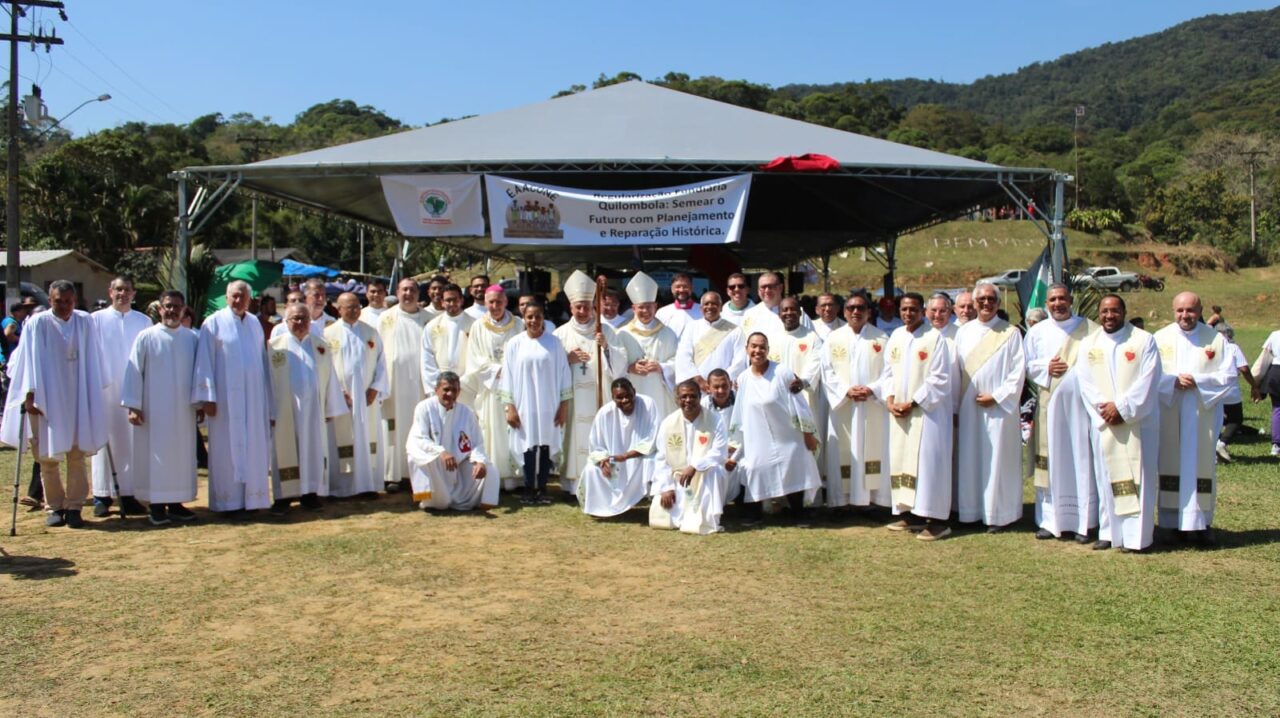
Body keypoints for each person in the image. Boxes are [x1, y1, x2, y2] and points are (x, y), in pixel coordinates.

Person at [0, 280, 109, 528]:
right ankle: (54, 506)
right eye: (58, 301)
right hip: (45, 399)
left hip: (76, 399)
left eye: (68, 301)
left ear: (75, 301)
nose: (64, 306)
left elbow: (95, 359)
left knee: (76, 455)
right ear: (50, 300)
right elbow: (26, 359)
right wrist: (29, 397)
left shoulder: (84, 321)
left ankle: (74, 507)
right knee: (47, 457)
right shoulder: (37, 323)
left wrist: (93, 395)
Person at [1075, 294, 1160, 553]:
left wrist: (1121, 408)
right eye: (1104, 311)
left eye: (1114, 311)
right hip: (1105, 423)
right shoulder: (1089, 344)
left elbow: (1149, 379)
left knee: (1139, 478)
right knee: (1105, 476)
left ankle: (1137, 537)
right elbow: (1085, 382)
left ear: (1124, 312)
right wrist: (1106, 409)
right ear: (1098, 314)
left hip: (1137, 423)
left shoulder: (1143, 341)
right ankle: (1109, 532)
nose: (1109, 316)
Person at [1153, 292, 1235, 546]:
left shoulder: (1216, 340)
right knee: (1169, 464)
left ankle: (1202, 523)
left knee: (1201, 466)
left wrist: (1197, 381)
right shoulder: (1159, 338)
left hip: (1202, 414)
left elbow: (1228, 376)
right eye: (1180, 310)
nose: (1185, 315)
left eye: (1190, 310)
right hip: (1170, 410)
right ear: (1173, 310)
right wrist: (1172, 381)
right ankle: (1168, 523)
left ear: (1200, 311)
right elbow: (1148, 374)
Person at [875, 292, 956, 541]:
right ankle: (912, 515)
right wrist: (889, 400)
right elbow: (887, 373)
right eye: (904, 309)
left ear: (923, 311)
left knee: (929, 465)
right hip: (900, 413)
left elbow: (940, 379)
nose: (908, 314)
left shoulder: (935, 339)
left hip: (928, 415)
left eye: (913, 309)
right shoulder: (897, 336)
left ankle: (938, 520)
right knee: (902, 460)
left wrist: (914, 402)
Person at [1023, 284, 1098, 542]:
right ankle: (1049, 520)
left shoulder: (1090, 330)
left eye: (1062, 299)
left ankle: (1084, 521)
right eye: (1053, 300)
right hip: (1050, 407)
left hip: (1081, 409)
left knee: (1081, 459)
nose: (1058, 304)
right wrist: (1047, 366)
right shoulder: (1037, 332)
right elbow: (1028, 364)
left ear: (1071, 300)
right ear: (1047, 303)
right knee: (1052, 459)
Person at [194, 281, 274, 514]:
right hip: (225, 401)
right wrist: (207, 397)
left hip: (253, 399)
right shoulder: (213, 323)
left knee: (253, 447)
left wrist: (267, 401)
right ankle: (228, 502)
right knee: (226, 450)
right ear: (227, 297)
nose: (239, 301)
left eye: (243, 297)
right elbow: (205, 361)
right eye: (234, 296)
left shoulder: (254, 324)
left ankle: (253, 499)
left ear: (250, 299)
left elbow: (260, 361)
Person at [121, 290, 200, 526]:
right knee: (156, 458)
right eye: (167, 306)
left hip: (183, 410)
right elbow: (134, 372)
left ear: (184, 309)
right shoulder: (146, 337)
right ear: (159, 308)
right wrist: (133, 405)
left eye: (176, 306)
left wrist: (201, 401)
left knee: (181, 456)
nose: (172, 310)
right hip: (153, 411)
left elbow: (200, 372)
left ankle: (176, 503)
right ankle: (156, 506)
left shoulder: (192, 338)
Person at [553, 270, 634, 498]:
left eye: (587, 306)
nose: (582, 311)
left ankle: (603, 480)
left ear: (593, 307)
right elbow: (551, 369)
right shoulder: (560, 334)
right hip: (573, 401)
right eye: (578, 307)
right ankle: (573, 482)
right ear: (571, 308)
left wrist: (607, 347)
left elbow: (621, 366)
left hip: (601, 398)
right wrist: (566, 359)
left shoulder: (606, 330)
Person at [954, 282, 1026, 532]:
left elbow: (1018, 373)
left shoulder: (1011, 333)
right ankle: (970, 511)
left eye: (991, 299)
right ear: (974, 303)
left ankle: (997, 515)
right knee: (969, 458)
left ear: (998, 303)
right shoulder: (962, 333)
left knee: (996, 459)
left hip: (998, 410)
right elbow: (955, 373)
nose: (986, 303)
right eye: (981, 299)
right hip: (967, 407)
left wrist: (996, 396)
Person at [729, 332, 822, 526]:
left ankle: (798, 512)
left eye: (762, 347)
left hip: (787, 435)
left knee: (794, 463)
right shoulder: (743, 378)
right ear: (747, 349)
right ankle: (754, 513)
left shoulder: (782, 373)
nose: (757, 350)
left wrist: (807, 435)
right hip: (757, 437)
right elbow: (740, 411)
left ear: (768, 350)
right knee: (754, 467)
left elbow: (799, 406)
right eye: (753, 346)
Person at [267, 304, 346, 514]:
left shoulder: (321, 346)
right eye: (295, 319)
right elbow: (266, 382)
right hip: (285, 411)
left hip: (313, 411)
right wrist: (270, 411)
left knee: (313, 449)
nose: (300, 323)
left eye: (304, 319)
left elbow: (330, 379)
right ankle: (283, 496)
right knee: (284, 451)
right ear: (286, 321)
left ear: (310, 321)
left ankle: (310, 493)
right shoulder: (274, 347)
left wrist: (330, 408)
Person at [820, 293, 890, 510]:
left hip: (871, 407)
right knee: (842, 451)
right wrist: (845, 391)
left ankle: (873, 500)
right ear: (844, 312)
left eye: (861, 308)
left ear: (869, 312)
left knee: (873, 448)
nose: (856, 312)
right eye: (851, 308)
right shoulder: (833, 339)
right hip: (844, 406)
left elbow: (889, 373)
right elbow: (826, 371)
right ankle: (841, 502)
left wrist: (872, 389)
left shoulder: (881, 339)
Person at [90, 275, 152, 518]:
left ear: (133, 294)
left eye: (127, 290)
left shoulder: (144, 321)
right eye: (118, 289)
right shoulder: (95, 320)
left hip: (133, 390)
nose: (122, 294)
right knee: (104, 444)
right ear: (110, 292)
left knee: (131, 443)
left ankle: (128, 494)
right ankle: (101, 496)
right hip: (105, 391)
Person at [501, 302, 572, 505]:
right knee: (528, 445)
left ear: (543, 319)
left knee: (545, 444)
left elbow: (564, 375)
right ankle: (528, 487)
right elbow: (508, 376)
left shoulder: (554, 343)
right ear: (524, 318)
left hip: (549, 403)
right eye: (529, 317)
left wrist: (564, 406)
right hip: (524, 403)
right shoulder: (515, 344)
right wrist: (510, 407)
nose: (533, 321)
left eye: (537, 317)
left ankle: (542, 488)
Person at [325, 292, 388, 498]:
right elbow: (325, 368)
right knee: (344, 440)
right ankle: (342, 487)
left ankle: (367, 485)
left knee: (367, 438)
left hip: (366, 399)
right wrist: (337, 393)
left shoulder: (371, 333)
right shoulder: (328, 335)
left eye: (356, 306)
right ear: (338, 309)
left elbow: (381, 363)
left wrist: (375, 388)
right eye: (348, 307)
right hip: (341, 399)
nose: (353, 310)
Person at [406, 372, 499, 511]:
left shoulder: (467, 412)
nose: (450, 394)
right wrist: (441, 453)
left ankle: (477, 502)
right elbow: (419, 438)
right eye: (446, 389)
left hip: (458, 466)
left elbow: (477, 443)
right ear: (436, 389)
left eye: (454, 390)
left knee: (490, 470)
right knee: (418, 458)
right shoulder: (424, 408)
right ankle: (428, 501)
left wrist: (480, 462)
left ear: (459, 391)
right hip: (435, 462)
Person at [462, 285, 524, 491]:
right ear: (485, 303)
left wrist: (511, 371)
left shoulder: (519, 324)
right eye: (491, 302)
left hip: (516, 388)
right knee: (493, 431)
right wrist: (499, 370)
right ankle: (494, 477)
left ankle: (515, 479)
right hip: (490, 389)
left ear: (506, 302)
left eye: (499, 302)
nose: (495, 306)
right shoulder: (478, 326)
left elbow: (525, 353)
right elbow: (474, 358)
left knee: (515, 430)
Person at [651, 379, 730, 534]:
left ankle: (708, 521)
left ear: (700, 397)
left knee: (715, 471)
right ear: (677, 399)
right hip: (679, 478)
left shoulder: (714, 420)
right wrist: (666, 487)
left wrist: (695, 466)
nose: (688, 400)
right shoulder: (668, 423)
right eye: (684, 397)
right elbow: (661, 458)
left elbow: (719, 452)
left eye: (693, 396)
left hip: (705, 475)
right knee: (663, 518)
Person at [378, 278, 431, 492]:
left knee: (419, 427)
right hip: (395, 386)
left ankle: (420, 473)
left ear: (418, 294)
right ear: (397, 292)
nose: (408, 294)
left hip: (420, 385)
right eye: (404, 290)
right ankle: (394, 475)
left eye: (412, 290)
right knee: (394, 429)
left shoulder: (430, 320)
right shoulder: (385, 319)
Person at [577, 378, 658, 518]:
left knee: (652, 461)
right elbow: (596, 445)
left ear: (634, 392)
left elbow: (653, 437)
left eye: (628, 395)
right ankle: (600, 507)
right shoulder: (605, 413)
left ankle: (654, 504)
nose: (625, 400)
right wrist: (604, 460)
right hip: (615, 461)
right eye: (619, 398)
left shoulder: (648, 404)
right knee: (591, 469)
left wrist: (626, 456)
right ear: (613, 397)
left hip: (640, 457)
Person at [618, 272, 678, 421]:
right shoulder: (621, 334)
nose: (645, 311)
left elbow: (679, 361)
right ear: (633, 308)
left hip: (659, 391)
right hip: (632, 389)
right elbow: (612, 364)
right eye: (641, 307)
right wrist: (629, 368)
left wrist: (662, 367)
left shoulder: (668, 333)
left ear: (656, 306)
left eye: (649, 307)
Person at [674, 291, 745, 390]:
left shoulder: (735, 330)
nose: (710, 307)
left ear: (721, 307)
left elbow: (740, 360)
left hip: (724, 388)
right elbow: (683, 356)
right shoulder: (691, 328)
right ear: (701, 308)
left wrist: (720, 382)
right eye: (706, 304)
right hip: (697, 387)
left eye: (714, 304)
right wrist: (699, 380)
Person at [420, 283, 475, 402]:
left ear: (461, 300)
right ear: (442, 302)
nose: (451, 303)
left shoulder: (474, 325)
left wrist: (464, 381)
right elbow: (427, 358)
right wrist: (439, 382)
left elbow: (477, 356)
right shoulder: (432, 326)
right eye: (448, 300)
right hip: (441, 386)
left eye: (455, 299)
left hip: (467, 386)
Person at [1216, 325, 1256, 462]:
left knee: (1213, 420)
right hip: (1230, 388)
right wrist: (1254, 385)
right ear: (1228, 335)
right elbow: (1244, 368)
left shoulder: (1207, 347)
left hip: (1209, 388)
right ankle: (1221, 444)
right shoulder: (1232, 348)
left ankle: (1209, 451)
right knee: (1235, 419)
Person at [740, 271, 812, 343]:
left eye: (771, 286)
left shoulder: (797, 314)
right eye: (763, 287)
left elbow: (810, 341)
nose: (767, 290)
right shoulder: (750, 314)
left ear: (780, 288)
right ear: (758, 291)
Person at [1252, 326, 1280, 456]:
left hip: (1276, 373)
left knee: (1277, 407)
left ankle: (1276, 444)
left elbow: (1263, 360)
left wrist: (1256, 381)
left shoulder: (1274, 335)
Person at [654, 272, 702, 338]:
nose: (681, 290)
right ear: (672, 289)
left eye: (685, 286)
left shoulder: (702, 310)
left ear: (691, 288)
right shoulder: (662, 312)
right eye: (678, 287)